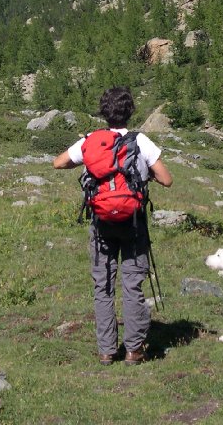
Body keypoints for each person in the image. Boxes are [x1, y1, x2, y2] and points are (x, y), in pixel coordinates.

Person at [53, 87, 173, 366]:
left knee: (103, 286)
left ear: (103, 112)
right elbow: (167, 179)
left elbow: (58, 163)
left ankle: (107, 350)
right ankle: (134, 350)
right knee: (132, 285)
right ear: (130, 111)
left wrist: (86, 163)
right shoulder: (140, 141)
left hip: (101, 223)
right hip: (133, 223)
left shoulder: (91, 140)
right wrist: (146, 177)